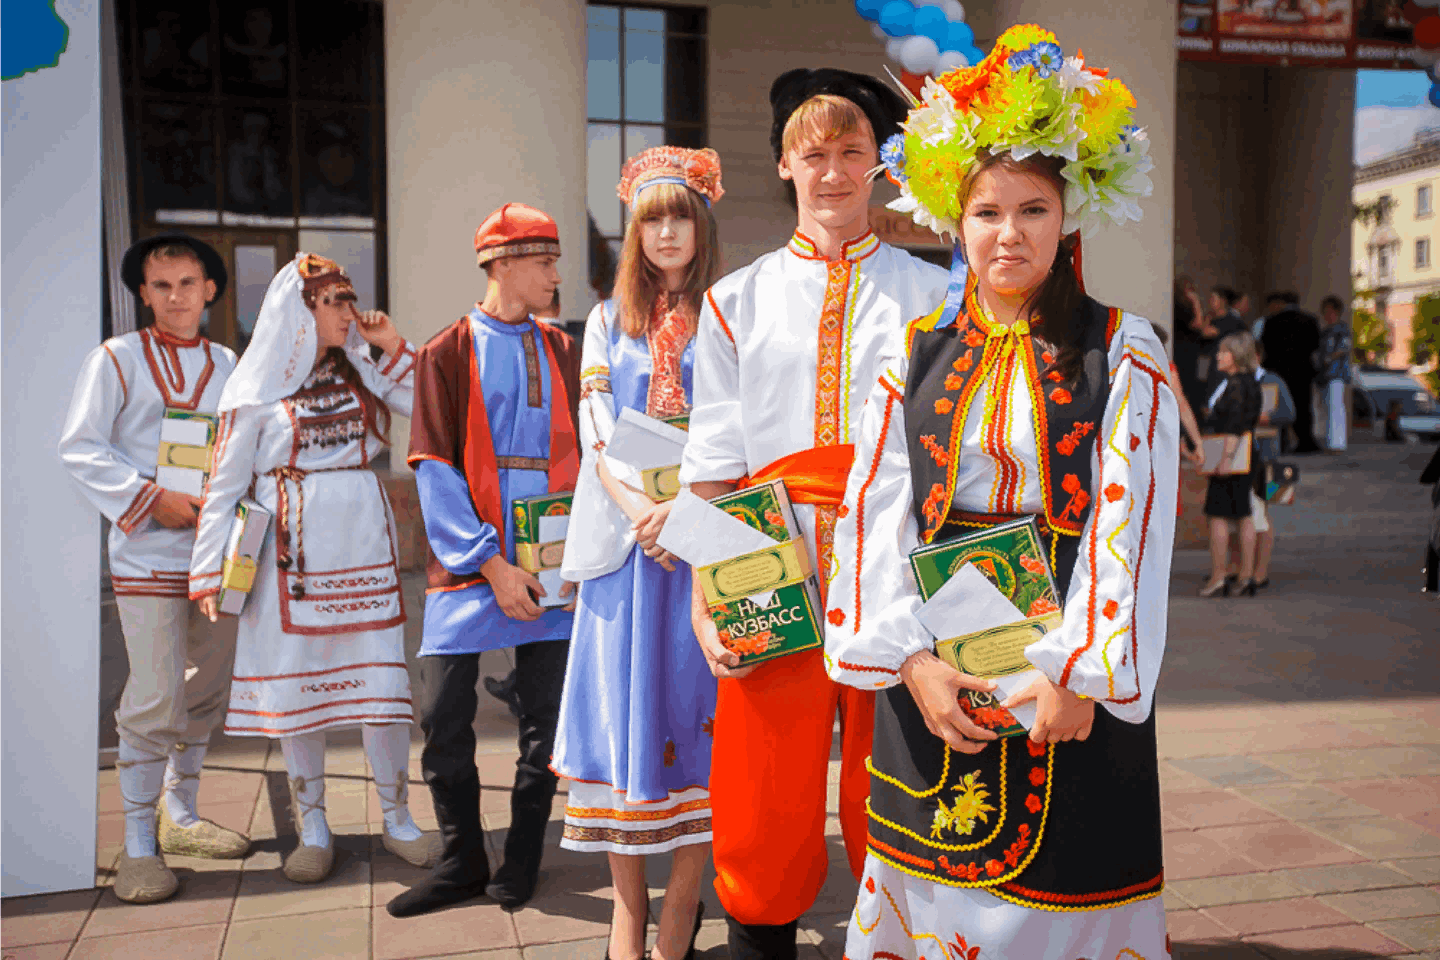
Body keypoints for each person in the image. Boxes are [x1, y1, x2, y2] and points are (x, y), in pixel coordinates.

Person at [823, 25, 1180, 957]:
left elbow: (1128, 524)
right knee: (931, 893)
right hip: (936, 657)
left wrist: (1079, 676)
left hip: (1064, 669)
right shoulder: (912, 355)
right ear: (956, 219)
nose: (1008, 233)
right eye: (987, 212)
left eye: (1032, 209)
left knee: (1059, 899)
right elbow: (875, 520)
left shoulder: (1123, 349)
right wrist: (912, 665)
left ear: (1069, 220)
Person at [678, 69, 949, 959]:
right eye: (813, 154)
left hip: (897, 574)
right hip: (767, 574)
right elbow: (713, 462)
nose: (832, 172)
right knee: (762, 794)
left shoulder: (938, 296)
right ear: (784, 166)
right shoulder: (734, 300)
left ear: (879, 166)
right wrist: (702, 597)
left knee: (901, 781)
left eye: (851, 152)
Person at [188, 253, 433, 884]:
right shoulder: (252, 388)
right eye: (335, 302)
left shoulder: (362, 366)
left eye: (350, 300)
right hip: (286, 559)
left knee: (380, 690)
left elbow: (425, 406)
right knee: (300, 692)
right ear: (300, 311)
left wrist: (388, 345)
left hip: (359, 545)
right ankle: (314, 826)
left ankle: (399, 817)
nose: (348, 312)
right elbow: (222, 485)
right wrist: (209, 569)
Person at [552, 145, 724, 960]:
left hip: (703, 545)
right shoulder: (604, 322)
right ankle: (627, 909)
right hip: (627, 551)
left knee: (704, 724)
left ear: (702, 224)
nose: (665, 231)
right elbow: (594, 430)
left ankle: (683, 904)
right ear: (632, 230)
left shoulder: (731, 312)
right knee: (626, 723)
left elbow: (737, 430)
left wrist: (685, 516)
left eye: (678, 215)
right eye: (651, 217)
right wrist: (641, 513)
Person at [390, 203, 582, 917]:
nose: (556, 276)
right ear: (501, 264)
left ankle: (523, 859)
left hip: (556, 568)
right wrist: (490, 563)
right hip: (470, 570)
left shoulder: (566, 351)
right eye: (544, 263)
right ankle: (461, 860)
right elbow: (434, 467)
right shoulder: (445, 350)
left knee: (545, 723)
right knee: (442, 719)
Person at [58, 234, 248, 904]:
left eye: (187, 283)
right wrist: (151, 498)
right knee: (156, 693)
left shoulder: (229, 362)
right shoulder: (116, 358)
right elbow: (80, 448)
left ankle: (183, 815)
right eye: (160, 285)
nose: (175, 297)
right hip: (145, 551)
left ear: (211, 290)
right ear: (142, 292)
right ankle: (138, 841)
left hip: (216, 556)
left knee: (203, 691)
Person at [1199, 331, 1264, 597]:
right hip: (1247, 455)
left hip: (1232, 454)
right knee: (1244, 514)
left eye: (1224, 352)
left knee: (1218, 516)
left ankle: (1219, 575)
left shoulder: (1236, 384)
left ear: (1236, 356)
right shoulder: (1250, 383)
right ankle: (1246, 576)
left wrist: (1224, 459)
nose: (1218, 356)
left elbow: (1235, 425)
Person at [1248, 349, 1296, 588]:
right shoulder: (1238, 379)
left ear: (1258, 355)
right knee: (1247, 514)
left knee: (1262, 512)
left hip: (1268, 456)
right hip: (1243, 455)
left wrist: (1267, 417)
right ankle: (1245, 568)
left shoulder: (1272, 381)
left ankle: (1260, 572)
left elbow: (1289, 413)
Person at [1259, 291, 1321, 453]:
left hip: (1279, 370)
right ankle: (1305, 440)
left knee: (1278, 405)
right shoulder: (1309, 320)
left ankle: (1281, 442)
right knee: (1303, 406)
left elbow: (1266, 345)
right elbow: (1315, 345)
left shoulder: (1272, 322)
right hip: (1302, 371)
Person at [1318, 294, 1352, 451]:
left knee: (1336, 406)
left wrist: (1329, 358)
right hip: (1324, 375)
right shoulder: (1325, 332)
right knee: (1327, 407)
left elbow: (1344, 348)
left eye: (1330, 311)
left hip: (1336, 374)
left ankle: (1338, 443)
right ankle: (1330, 440)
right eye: (1325, 312)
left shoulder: (1342, 329)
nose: (1327, 315)